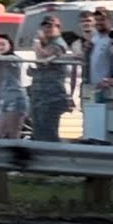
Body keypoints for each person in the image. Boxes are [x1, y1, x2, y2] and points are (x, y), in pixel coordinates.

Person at [29, 14, 71, 142]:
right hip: (40, 92)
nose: (50, 28)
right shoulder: (45, 42)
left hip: (52, 94)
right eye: (46, 26)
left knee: (48, 129)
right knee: (38, 128)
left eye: (54, 26)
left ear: (59, 28)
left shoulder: (59, 43)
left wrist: (37, 42)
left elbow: (43, 57)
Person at [0, 34, 28, 138]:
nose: (0, 47)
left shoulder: (14, 58)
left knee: (12, 133)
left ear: (10, 45)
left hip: (16, 100)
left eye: (3, 44)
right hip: (3, 101)